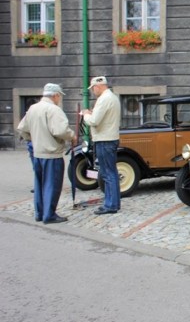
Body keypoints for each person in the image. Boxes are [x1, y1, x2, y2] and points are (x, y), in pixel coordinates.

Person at [16, 83, 75, 223]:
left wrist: (33, 139)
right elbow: (60, 131)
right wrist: (72, 136)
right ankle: (49, 215)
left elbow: (22, 128)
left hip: (37, 153)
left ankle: (39, 213)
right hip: (51, 154)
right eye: (59, 96)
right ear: (55, 95)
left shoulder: (33, 108)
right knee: (52, 185)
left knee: (39, 184)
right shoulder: (54, 109)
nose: (59, 99)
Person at [82, 76, 122, 215]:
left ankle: (111, 205)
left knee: (107, 173)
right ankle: (113, 203)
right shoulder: (112, 97)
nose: (93, 91)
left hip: (104, 140)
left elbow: (94, 121)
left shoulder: (104, 99)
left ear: (97, 86)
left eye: (93, 88)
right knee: (111, 172)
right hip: (109, 138)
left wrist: (86, 114)